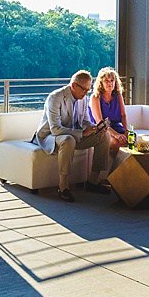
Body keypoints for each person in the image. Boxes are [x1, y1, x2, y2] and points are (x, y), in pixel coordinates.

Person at [32, 70, 111, 202]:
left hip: (74, 135)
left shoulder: (83, 99)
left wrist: (94, 128)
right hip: (51, 136)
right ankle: (63, 187)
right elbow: (56, 129)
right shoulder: (55, 98)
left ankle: (93, 181)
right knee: (68, 140)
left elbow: (84, 121)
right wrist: (82, 133)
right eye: (84, 89)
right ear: (74, 86)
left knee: (104, 136)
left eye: (88, 89)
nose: (87, 93)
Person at [89, 67, 129, 152]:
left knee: (132, 140)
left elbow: (123, 115)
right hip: (100, 129)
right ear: (101, 83)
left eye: (112, 81)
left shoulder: (118, 95)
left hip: (115, 126)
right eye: (106, 81)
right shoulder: (95, 97)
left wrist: (126, 131)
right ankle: (115, 165)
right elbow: (99, 122)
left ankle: (128, 164)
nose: (110, 83)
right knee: (115, 142)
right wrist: (116, 135)